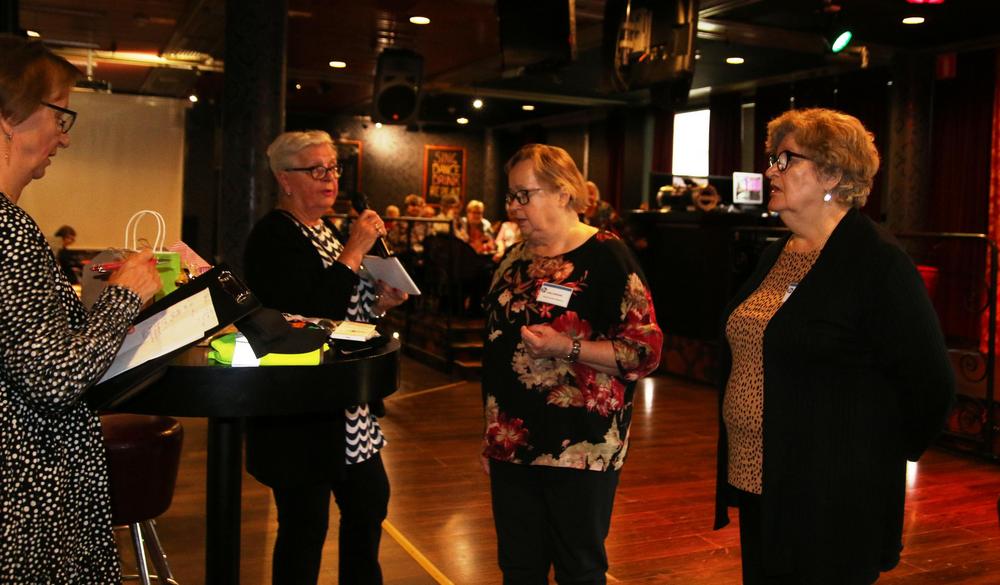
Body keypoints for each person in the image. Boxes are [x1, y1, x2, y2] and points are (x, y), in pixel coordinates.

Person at [714, 108, 955, 585]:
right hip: (761, 476)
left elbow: (931, 383)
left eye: (785, 159)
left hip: (831, 496)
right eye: (772, 159)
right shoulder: (777, 253)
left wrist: (872, 455)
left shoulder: (877, 262)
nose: (770, 171)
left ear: (832, 174)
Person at [0, 36, 162, 583]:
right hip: (27, 489)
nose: (64, 137)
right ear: (9, 116)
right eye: (59, 115)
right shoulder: (8, 230)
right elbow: (55, 379)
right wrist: (125, 296)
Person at [481, 143, 663, 584]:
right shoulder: (513, 260)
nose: (513, 207)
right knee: (518, 569)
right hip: (512, 443)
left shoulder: (607, 255)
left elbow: (645, 351)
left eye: (524, 195)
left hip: (581, 447)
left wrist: (568, 347)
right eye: (510, 196)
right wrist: (489, 437)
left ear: (563, 193)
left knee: (579, 571)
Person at [243, 130, 408, 585]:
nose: (330, 178)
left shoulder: (325, 231)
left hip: (345, 401)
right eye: (316, 170)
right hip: (300, 406)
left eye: (333, 168)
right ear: (285, 179)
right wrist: (355, 249)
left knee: (369, 503)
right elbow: (312, 314)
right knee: (304, 526)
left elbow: (346, 310)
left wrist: (380, 303)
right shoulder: (274, 236)